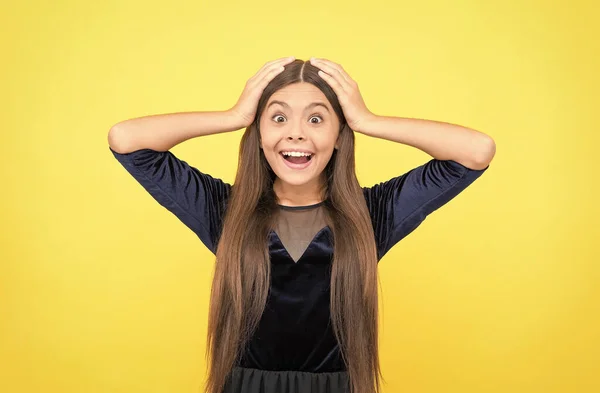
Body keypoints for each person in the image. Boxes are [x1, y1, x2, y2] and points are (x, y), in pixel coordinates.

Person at [107, 56, 495, 393]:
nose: (295, 132)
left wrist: (366, 120)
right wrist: (234, 116)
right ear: (258, 134)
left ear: (339, 136)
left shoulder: (372, 213)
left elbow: (476, 151)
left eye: (316, 118)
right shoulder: (225, 210)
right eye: (277, 118)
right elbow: (126, 139)